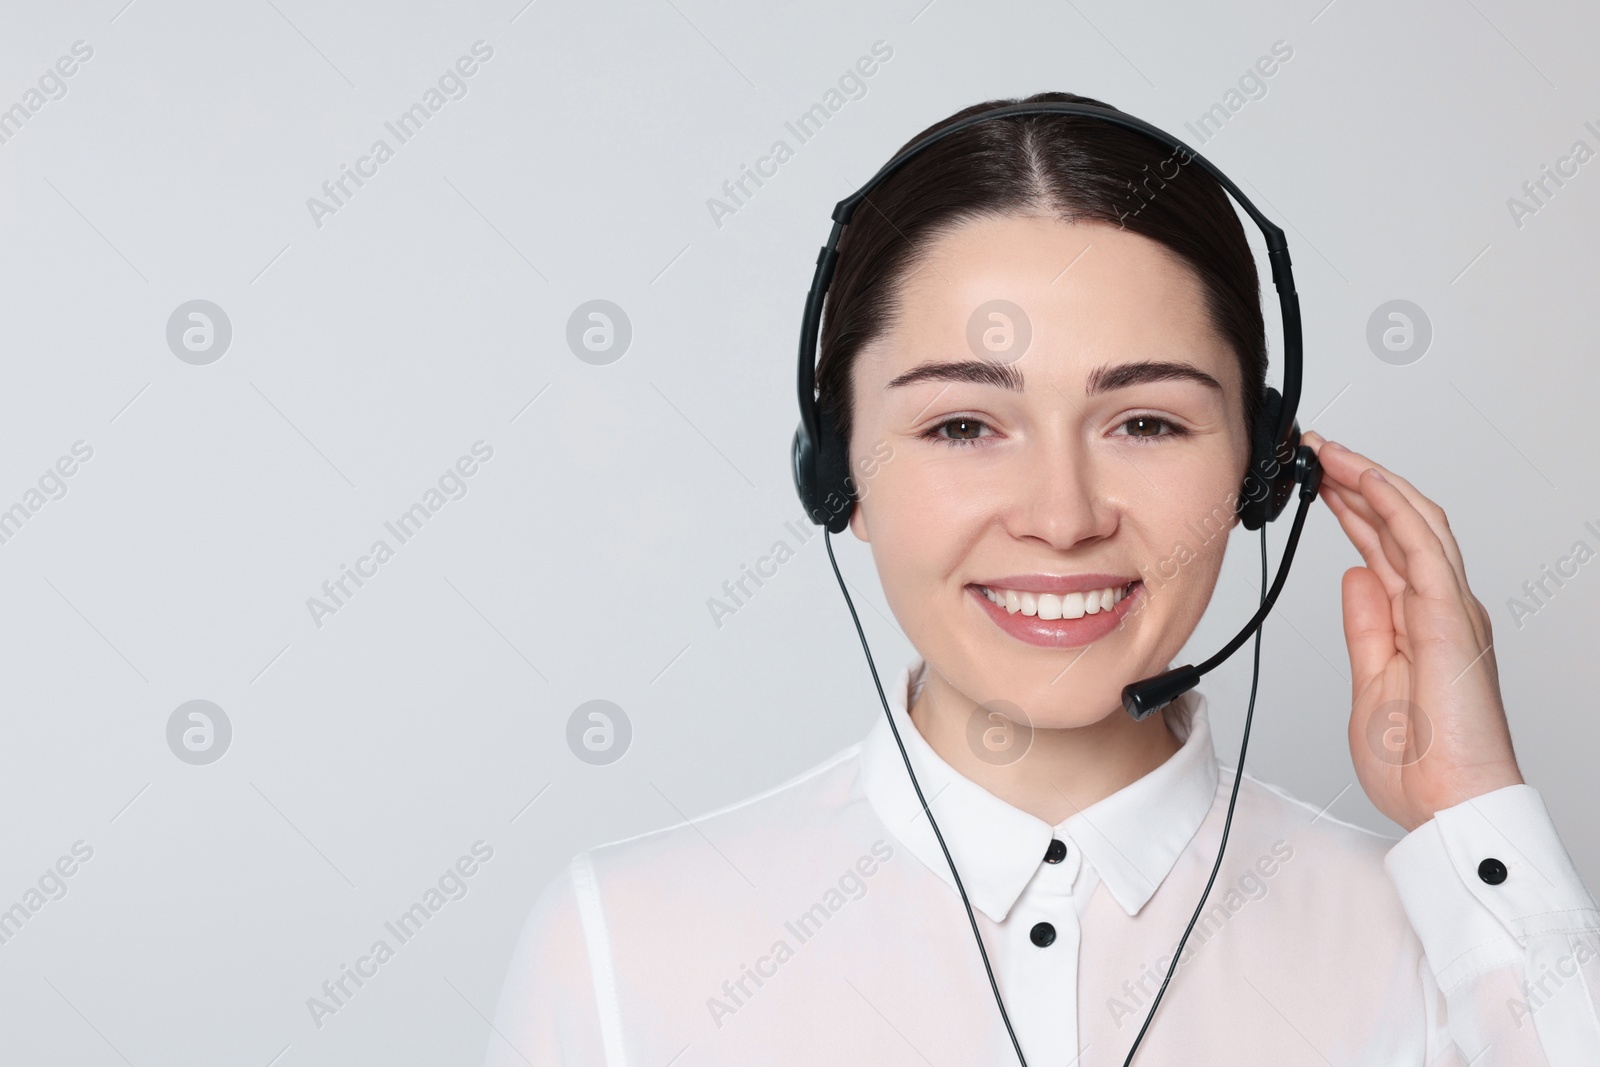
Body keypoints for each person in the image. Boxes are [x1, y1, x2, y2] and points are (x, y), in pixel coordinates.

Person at [483, 92, 1600, 1066]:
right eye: (964, 423)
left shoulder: (1442, 936)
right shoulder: (623, 944)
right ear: (837, 477)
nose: (1062, 518)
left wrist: (1472, 809)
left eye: (1147, 420)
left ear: (1260, 472)